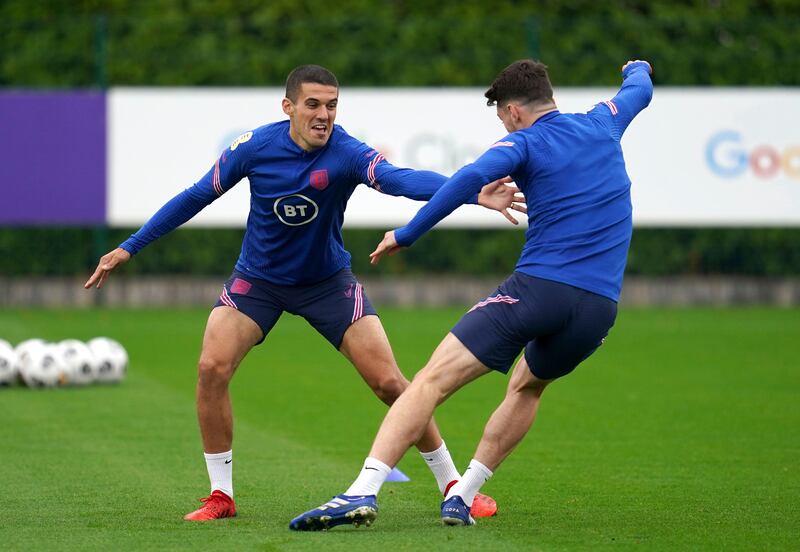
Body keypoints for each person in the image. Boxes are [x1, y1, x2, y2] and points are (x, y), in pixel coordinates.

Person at [85, 65, 525, 522]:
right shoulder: (254, 147)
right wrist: (127, 247)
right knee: (211, 367)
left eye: (332, 105)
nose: (324, 115)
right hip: (258, 281)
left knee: (391, 383)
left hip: (327, 283)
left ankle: (454, 484)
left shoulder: (347, 151)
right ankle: (221, 496)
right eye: (313, 104)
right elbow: (196, 196)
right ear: (288, 106)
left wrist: (472, 193)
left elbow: (401, 180)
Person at [290, 59, 653, 530]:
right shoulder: (604, 120)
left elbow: (466, 179)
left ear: (515, 111)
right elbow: (640, 90)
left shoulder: (523, 141)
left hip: (539, 290)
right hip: (599, 309)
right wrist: (637, 67)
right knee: (528, 385)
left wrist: (408, 233)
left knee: (429, 381)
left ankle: (362, 491)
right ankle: (462, 495)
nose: (502, 123)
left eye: (501, 115)